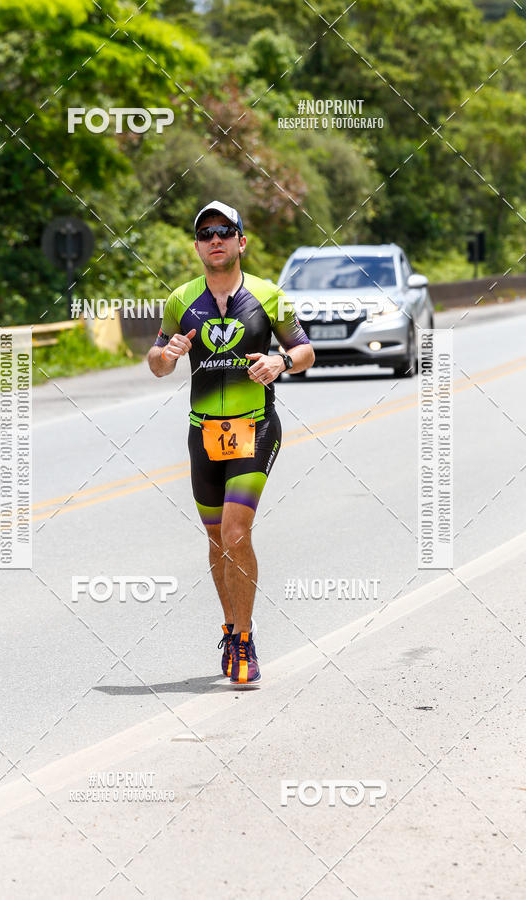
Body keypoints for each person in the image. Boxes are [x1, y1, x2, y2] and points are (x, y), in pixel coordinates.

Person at [148, 201, 314, 687]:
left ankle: (244, 637)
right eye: (205, 234)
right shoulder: (180, 300)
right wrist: (168, 353)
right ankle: (231, 623)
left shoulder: (268, 295)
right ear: (197, 246)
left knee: (237, 532)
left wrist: (281, 362)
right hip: (203, 432)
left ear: (241, 241)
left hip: (256, 426)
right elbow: (156, 362)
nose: (214, 240)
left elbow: (304, 350)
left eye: (224, 231)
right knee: (217, 540)